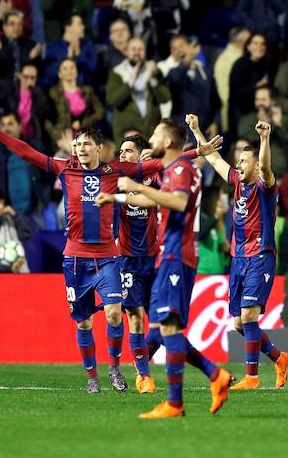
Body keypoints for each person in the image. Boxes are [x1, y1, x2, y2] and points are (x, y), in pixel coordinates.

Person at [0, 106, 220, 395]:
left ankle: (114, 369)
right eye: (77, 145)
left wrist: (197, 152)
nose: (80, 149)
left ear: (99, 148)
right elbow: (28, 153)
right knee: (84, 322)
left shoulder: (115, 170)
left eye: (86, 144)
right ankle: (92, 377)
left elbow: (159, 165)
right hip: (75, 258)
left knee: (116, 314)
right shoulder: (65, 169)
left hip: (108, 258)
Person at [100, 119, 232, 418]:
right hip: (168, 256)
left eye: (157, 134)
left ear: (169, 141)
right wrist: (118, 197)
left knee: (166, 328)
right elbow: (153, 199)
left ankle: (177, 400)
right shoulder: (173, 170)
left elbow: (179, 202)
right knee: (161, 329)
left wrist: (132, 185)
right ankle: (213, 376)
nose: (152, 140)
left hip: (176, 255)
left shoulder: (181, 170)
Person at [185, 114, 288, 393]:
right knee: (238, 324)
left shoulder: (265, 185)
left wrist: (264, 138)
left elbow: (267, 168)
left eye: (245, 161)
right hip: (238, 258)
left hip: (261, 255)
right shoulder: (236, 182)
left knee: (248, 315)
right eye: (239, 161)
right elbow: (212, 158)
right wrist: (197, 129)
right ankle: (278, 358)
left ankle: (252, 378)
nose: (238, 164)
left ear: (256, 166)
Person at [112, 134, 160, 394]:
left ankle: (141, 356)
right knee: (136, 318)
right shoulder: (116, 182)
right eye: (120, 150)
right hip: (127, 260)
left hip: (154, 259)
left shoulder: (157, 179)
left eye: (128, 151)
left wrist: (155, 163)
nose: (122, 155)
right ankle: (144, 376)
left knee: (163, 322)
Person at [106, 37, 172, 142]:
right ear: (127, 51)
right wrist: (131, 81)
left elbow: (165, 98)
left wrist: (152, 79)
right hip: (127, 134)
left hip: (151, 134)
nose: (137, 52)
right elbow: (113, 100)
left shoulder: (154, 70)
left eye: (140, 49)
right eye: (133, 49)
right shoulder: (117, 73)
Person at [46, 58, 104, 143]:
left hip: (85, 134)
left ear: (76, 71)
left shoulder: (87, 90)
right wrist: (58, 138)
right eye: (65, 68)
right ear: (59, 74)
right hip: (63, 137)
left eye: (72, 67)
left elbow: (100, 112)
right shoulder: (53, 93)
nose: (69, 71)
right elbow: (47, 120)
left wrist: (83, 123)